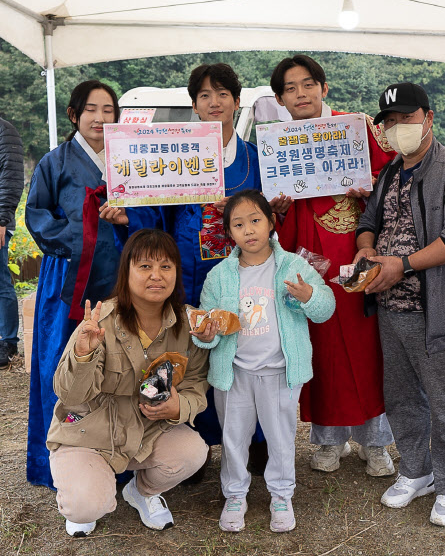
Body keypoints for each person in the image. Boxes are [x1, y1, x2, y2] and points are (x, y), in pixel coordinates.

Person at [101, 63, 263, 469]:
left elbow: (274, 218)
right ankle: (194, 439)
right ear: (194, 105)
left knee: (249, 349)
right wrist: (129, 219)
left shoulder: (256, 159)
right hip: (188, 273)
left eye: (223, 94)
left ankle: (254, 438)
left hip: (243, 273)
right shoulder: (174, 153)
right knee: (193, 353)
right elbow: (155, 215)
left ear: (237, 102)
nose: (214, 102)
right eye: (205, 96)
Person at [355, 82, 445, 526]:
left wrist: (401, 265)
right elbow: (369, 219)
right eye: (389, 122)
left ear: (428, 118)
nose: (397, 129)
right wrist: (366, 250)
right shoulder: (391, 171)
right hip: (390, 306)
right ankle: (417, 470)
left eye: (406, 119)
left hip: (439, 308)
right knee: (401, 396)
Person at [270, 54, 396, 476]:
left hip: (359, 251)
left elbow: (392, 185)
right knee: (319, 350)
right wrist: (281, 212)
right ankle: (327, 440)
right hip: (311, 259)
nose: (300, 94)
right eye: (290, 88)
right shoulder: (279, 143)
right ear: (280, 99)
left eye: (308, 84)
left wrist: (371, 191)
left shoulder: (356, 129)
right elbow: (276, 215)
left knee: (369, 348)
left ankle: (376, 441)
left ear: (324, 88)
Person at [46, 229, 210, 537]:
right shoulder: (99, 322)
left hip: (146, 431)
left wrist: (178, 407)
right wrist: (83, 354)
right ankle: (89, 489)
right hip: (88, 431)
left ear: (177, 272)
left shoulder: (189, 325)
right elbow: (68, 394)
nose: (156, 275)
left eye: (165, 266)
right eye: (145, 266)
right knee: (86, 506)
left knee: (192, 451)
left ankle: (142, 492)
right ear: (127, 271)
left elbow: (197, 383)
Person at [192, 189, 335, 533]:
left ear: (271, 222)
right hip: (235, 373)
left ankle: (282, 494)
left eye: (256, 220)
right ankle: (235, 495)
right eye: (239, 224)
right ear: (229, 233)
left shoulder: (293, 266)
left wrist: (309, 295)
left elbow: (326, 307)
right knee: (234, 437)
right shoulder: (220, 275)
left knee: (281, 437)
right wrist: (206, 333)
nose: (249, 230)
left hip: (280, 373)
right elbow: (203, 329)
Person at [26, 80, 122, 487]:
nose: (100, 118)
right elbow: (36, 214)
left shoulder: (130, 158)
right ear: (74, 115)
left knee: (119, 366)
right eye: (91, 110)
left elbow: (151, 211)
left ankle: (117, 454)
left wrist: (127, 220)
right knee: (63, 365)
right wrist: (79, 237)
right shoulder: (56, 162)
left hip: (120, 276)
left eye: (108, 110)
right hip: (68, 278)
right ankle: (60, 459)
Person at [0, 117, 23, 370]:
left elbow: (11, 176)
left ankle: (7, 341)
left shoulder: (5, 131)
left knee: (0, 281)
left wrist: (2, 218)